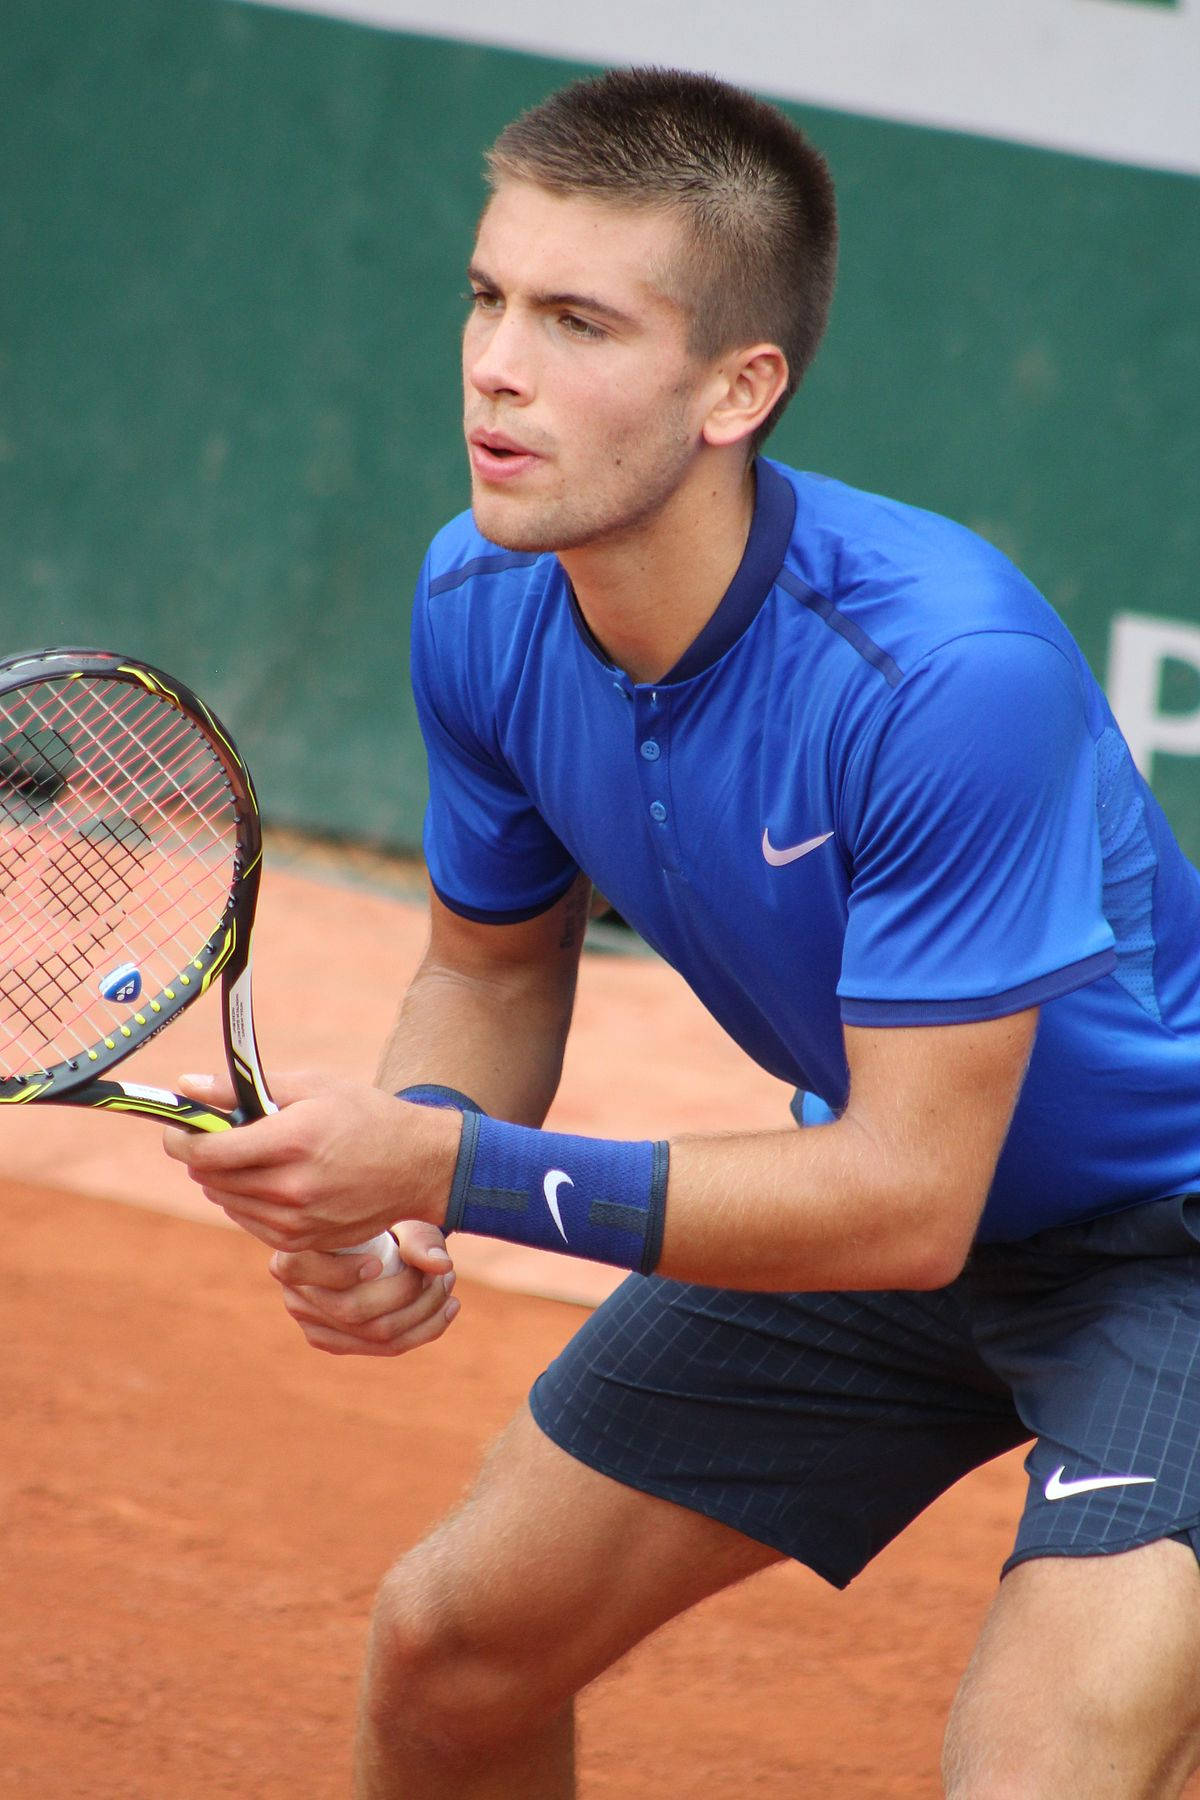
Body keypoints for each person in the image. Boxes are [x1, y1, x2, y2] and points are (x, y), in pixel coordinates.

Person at [165, 66, 1200, 1798]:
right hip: (885, 1218)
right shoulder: (482, 599)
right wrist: (415, 1156)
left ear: (740, 387)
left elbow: (902, 1196)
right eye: (488, 298)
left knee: (1048, 1776)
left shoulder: (944, 678)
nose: (497, 365)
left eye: (579, 321)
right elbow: (490, 969)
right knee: (452, 1648)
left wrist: (446, 1177)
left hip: (1163, 1243)